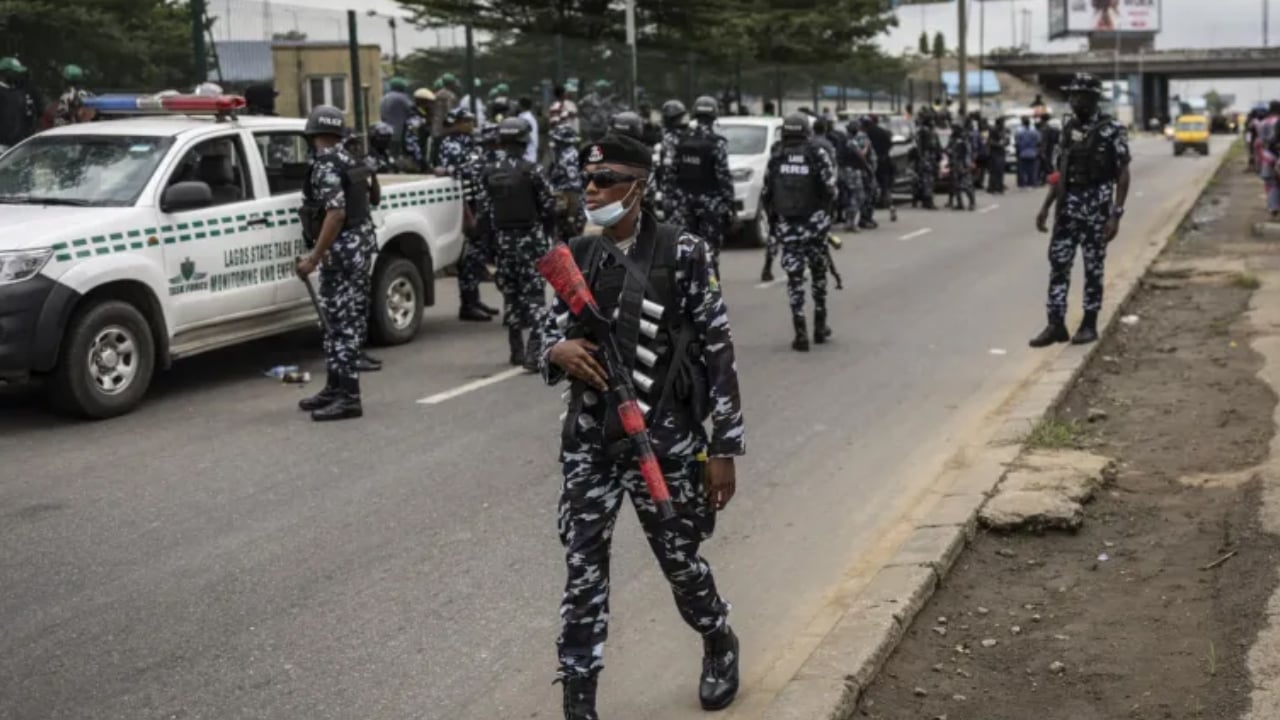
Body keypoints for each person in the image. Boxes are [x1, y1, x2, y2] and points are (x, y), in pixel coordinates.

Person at [539, 131, 745, 719]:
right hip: (589, 440)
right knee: (583, 570)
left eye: (606, 181)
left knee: (680, 559)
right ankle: (580, 697)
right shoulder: (575, 255)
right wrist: (556, 351)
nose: (592, 189)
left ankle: (718, 639)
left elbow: (718, 349)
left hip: (666, 441)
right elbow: (543, 331)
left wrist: (724, 447)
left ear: (639, 186)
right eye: (587, 179)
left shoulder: (684, 252)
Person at [1030, 72, 1131, 348]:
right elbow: (1061, 171)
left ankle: (1089, 324)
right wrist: (1046, 207)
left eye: (1080, 95)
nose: (1074, 100)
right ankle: (1055, 323)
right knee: (1059, 265)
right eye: (1072, 95)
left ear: (1093, 98)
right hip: (1067, 208)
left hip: (1096, 209)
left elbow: (1123, 174)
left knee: (1093, 268)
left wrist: (1116, 214)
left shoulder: (1112, 130)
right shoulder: (1066, 129)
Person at [294, 105, 378, 421]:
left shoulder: (326, 165)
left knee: (339, 325)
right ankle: (334, 386)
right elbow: (372, 198)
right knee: (343, 321)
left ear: (314, 135)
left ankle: (349, 397)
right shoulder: (352, 160)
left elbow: (336, 212)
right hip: (358, 249)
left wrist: (314, 257)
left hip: (341, 254)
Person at [477, 117, 556, 370]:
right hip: (530, 242)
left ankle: (516, 351)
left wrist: (489, 249)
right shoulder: (533, 171)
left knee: (511, 298)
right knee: (534, 298)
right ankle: (534, 353)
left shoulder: (490, 171)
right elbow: (549, 206)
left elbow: (484, 213)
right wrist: (549, 236)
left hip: (503, 243)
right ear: (525, 141)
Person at [761, 113, 838, 351]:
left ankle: (800, 332)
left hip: (788, 226)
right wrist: (825, 215)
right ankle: (820, 327)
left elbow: (766, 192)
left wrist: (776, 218)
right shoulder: (817, 153)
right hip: (814, 225)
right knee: (818, 275)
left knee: (795, 280)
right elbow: (830, 189)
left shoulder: (777, 155)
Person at [437, 107, 500, 321]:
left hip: (477, 201)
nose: (471, 124)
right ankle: (468, 305)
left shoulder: (468, 142)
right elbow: (464, 171)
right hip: (465, 205)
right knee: (470, 256)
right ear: (457, 122)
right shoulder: (451, 145)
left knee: (477, 255)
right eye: (467, 120)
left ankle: (474, 299)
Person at [667, 96, 734, 273]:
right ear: (715, 116)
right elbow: (724, 177)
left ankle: (687, 291)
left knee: (685, 251)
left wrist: (673, 203)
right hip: (710, 205)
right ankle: (711, 294)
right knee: (710, 254)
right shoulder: (717, 143)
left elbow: (671, 174)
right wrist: (728, 205)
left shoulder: (680, 140)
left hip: (684, 205)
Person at [547, 113, 584, 243]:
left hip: (570, 202)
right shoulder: (563, 155)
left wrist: (571, 217)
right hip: (567, 200)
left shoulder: (568, 157)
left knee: (569, 236)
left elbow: (572, 186)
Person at [865, 114, 897, 221]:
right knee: (885, 187)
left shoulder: (866, 133)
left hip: (870, 163)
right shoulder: (884, 133)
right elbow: (890, 145)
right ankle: (891, 207)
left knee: (869, 188)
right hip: (884, 162)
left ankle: (868, 213)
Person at [851, 117, 879, 229]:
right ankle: (865, 218)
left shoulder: (862, 136)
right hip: (866, 171)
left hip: (868, 170)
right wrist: (868, 169)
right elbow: (862, 154)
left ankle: (867, 217)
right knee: (870, 194)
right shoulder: (861, 136)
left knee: (872, 194)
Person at [912, 110, 940, 209]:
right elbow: (932, 146)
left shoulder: (920, 131)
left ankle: (919, 199)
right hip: (927, 159)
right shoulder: (927, 132)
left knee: (922, 180)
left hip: (922, 159)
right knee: (928, 181)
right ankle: (928, 201)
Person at [403, 88, 435, 172]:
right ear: (421, 102)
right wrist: (422, 161)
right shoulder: (415, 117)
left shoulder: (423, 115)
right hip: (416, 162)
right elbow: (411, 141)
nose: (431, 105)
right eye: (428, 102)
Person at [379, 76, 414, 153]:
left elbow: (382, 114)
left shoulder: (385, 97)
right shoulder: (403, 97)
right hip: (399, 130)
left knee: (389, 150)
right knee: (399, 151)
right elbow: (411, 110)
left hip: (385, 131)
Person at [945, 122, 976, 211]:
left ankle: (972, 203)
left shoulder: (964, 139)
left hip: (963, 164)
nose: (953, 131)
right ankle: (959, 204)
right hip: (955, 164)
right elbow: (948, 148)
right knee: (956, 185)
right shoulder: (952, 138)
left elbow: (968, 152)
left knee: (966, 185)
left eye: (954, 129)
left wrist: (969, 163)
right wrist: (949, 153)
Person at [1015, 115, 1041, 189]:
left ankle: (1023, 184)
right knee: (1032, 170)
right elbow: (1039, 142)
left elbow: (1017, 143)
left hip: (1022, 153)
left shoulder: (1020, 132)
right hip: (1033, 153)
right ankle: (1032, 183)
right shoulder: (1035, 132)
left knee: (1023, 170)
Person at [1038, 115, 1061, 185]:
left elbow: (1044, 141)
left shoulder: (1045, 128)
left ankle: (1046, 180)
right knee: (1047, 165)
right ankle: (1047, 179)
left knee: (1045, 166)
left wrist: (1042, 151)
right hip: (1050, 149)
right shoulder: (1051, 127)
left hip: (1046, 150)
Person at [986, 118, 1007, 193]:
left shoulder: (1003, 130)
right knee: (994, 171)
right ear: (999, 123)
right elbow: (989, 141)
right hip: (995, 153)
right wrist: (998, 144)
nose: (1003, 124)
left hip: (1001, 153)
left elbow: (1006, 139)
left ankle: (999, 187)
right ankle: (992, 187)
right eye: (1002, 122)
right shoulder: (993, 130)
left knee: (1000, 171)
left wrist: (1005, 142)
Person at [517, 97, 539, 163]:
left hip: (527, 150)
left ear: (521, 105)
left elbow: (523, 134)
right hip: (529, 148)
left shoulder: (526, 118)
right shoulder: (528, 116)